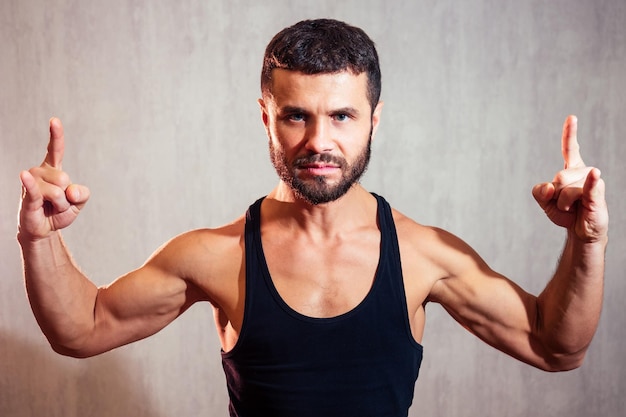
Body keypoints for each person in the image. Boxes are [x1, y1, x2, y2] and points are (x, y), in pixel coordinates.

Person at [17, 18, 608, 417]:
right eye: (296, 116)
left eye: (343, 117)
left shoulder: (425, 255)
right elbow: (82, 328)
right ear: (266, 115)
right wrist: (38, 237)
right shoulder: (216, 255)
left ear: (375, 119)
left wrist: (587, 239)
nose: (319, 141)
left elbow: (556, 348)